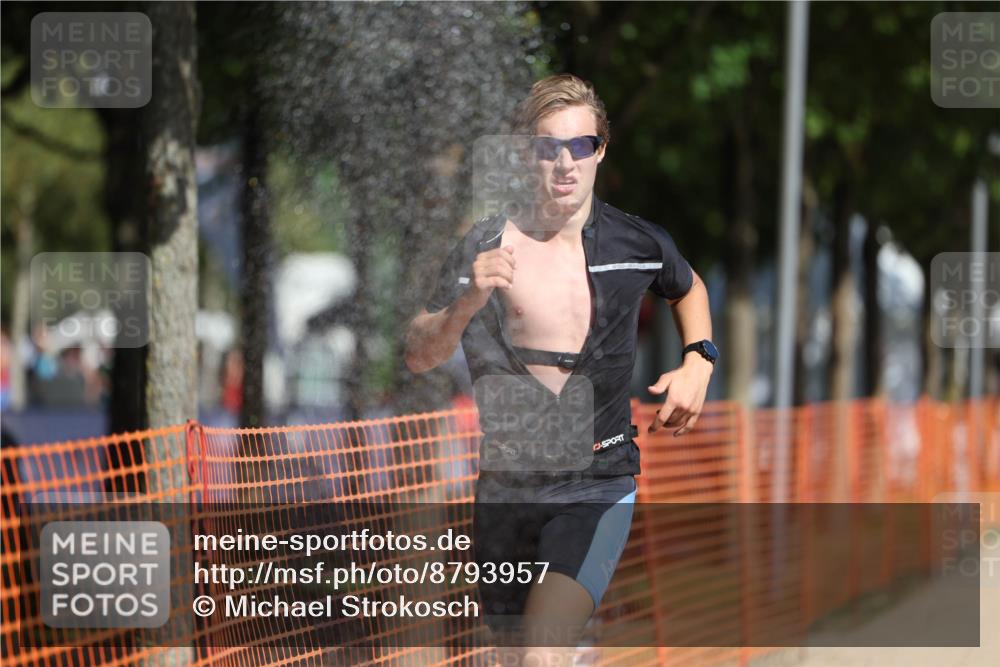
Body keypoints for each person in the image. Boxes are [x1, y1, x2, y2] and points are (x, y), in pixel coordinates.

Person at [405, 74, 716, 665]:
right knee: (509, 656)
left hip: (597, 482)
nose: (566, 163)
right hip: (506, 488)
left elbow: (689, 286)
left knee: (541, 650)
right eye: (550, 147)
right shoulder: (487, 244)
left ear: (601, 149)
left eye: (582, 145)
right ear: (528, 153)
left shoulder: (636, 242)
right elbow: (418, 352)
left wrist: (699, 361)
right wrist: (467, 301)